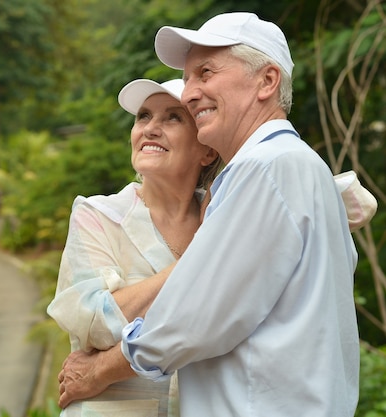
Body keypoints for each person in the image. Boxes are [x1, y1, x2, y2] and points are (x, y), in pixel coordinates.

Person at [56, 12, 366, 417]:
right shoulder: (288, 168)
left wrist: (100, 369)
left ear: (267, 81)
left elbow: (190, 320)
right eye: (188, 79)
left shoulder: (266, 168)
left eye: (205, 73)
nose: (189, 92)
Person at [48, 78, 222, 417]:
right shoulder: (98, 215)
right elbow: (95, 323)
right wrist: (201, 259)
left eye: (173, 117)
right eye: (143, 116)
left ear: (207, 149)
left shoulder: (223, 215)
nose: (151, 129)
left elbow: (351, 200)